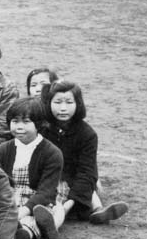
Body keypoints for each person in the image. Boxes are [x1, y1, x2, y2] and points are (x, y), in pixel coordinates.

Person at [43, 81, 129, 225]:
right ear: (48, 103)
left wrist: (69, 204)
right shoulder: (42, 129)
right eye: (57, 102)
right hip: (49, 178)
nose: (63, 108)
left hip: (76, 180)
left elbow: (86, 171)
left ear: (78, 104)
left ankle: (96, 210)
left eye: (69, 102)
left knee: (87, 183)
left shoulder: (87, 134)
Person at [0, 96, 65, 239]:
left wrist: (23, 211)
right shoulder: (2, 150)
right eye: (15, 121)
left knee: (28, 223)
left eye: (26, 122)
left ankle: (26, 237)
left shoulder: (52, 153)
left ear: (39, 124)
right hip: (8, 200)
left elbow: (46, 192)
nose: (19, 127)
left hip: (37, 203)